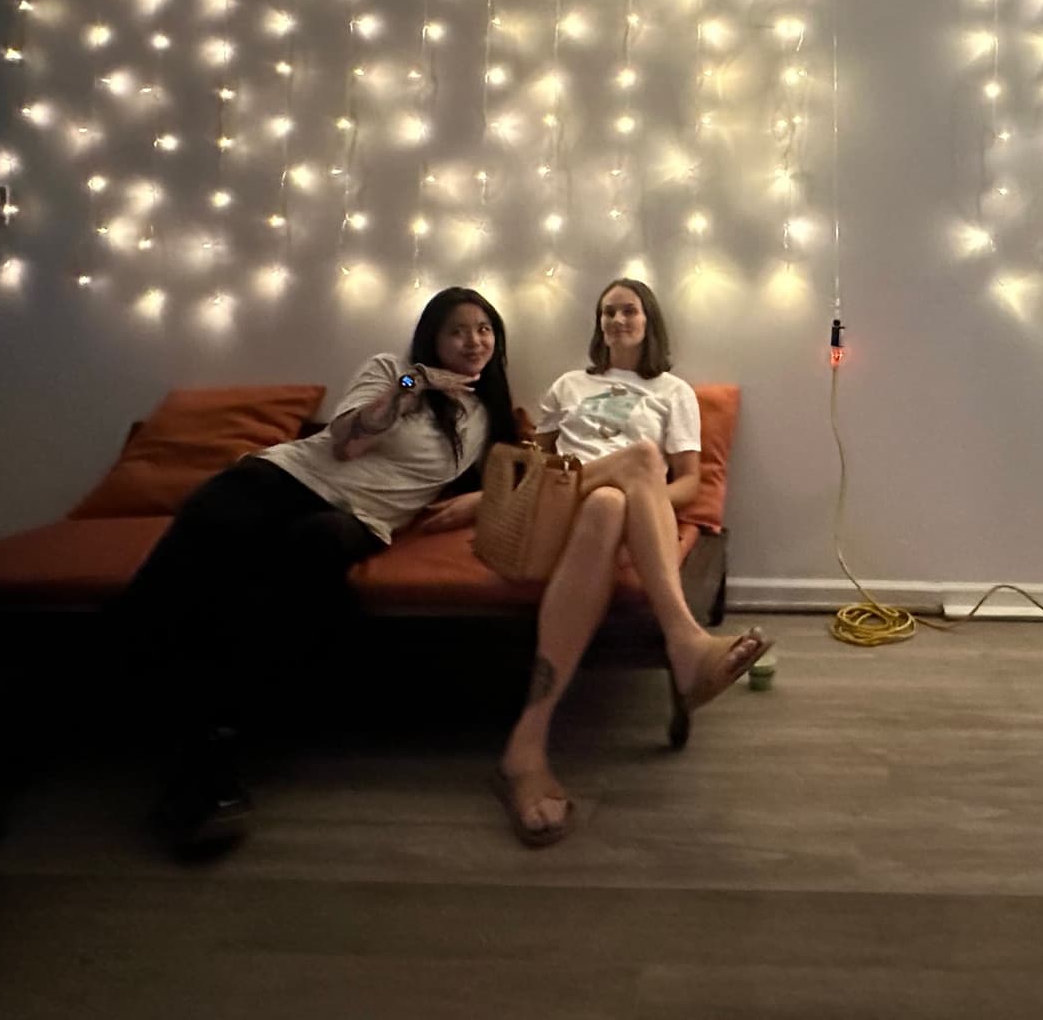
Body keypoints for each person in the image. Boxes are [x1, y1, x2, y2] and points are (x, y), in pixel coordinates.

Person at [117, 285, 518, 851]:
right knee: (206, 527)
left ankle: (202, 738)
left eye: (484, 329)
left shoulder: (488, 415)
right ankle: (184, 727)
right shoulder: (392, 371)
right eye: (458, 329)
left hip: (356, 519)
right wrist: (414, 384)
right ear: (432, 337)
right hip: (285, 479)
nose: (473, 340)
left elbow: (517, 474)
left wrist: (479, 500)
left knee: (308, 551)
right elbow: (346, 441)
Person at [494, 277, 771, 847]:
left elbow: (690, 484)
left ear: (649, 322)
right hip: (563, 499)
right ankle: (686, 644)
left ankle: (526, 747)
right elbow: (537, 471)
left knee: (613, 499)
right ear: (598, 325)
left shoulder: (674, 393)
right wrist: (635, 470)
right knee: (638, 461)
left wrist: (640, 491)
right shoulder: (569, 384)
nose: (617, 320)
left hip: (621, 512)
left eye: (628, 311)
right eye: (607, 312)